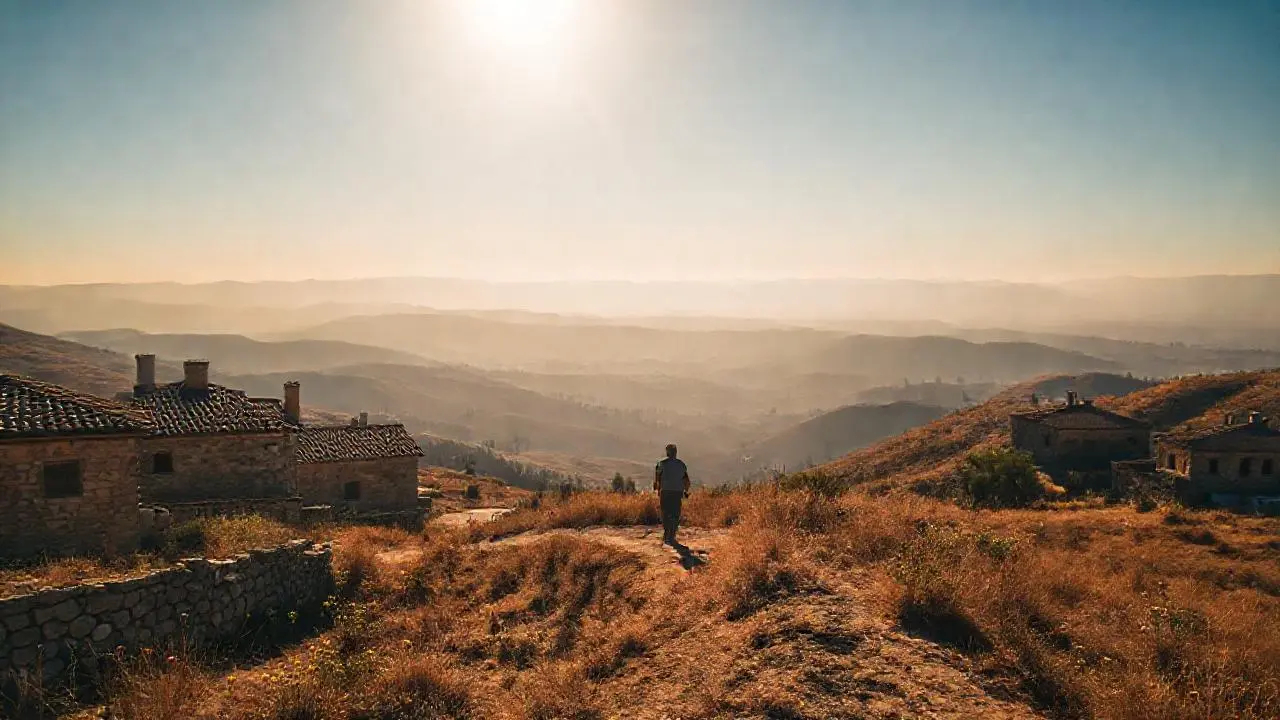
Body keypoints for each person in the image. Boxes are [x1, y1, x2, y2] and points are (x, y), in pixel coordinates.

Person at [654, 443, 690, 545]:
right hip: (677, 492)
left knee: (665, 512)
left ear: (667, 452)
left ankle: (667, 534)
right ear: (676, 452)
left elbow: (657, 478)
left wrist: (657, 489)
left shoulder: (661, 464)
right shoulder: (681, 464)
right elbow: (686, 480)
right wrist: (686, 491)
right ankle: (672, 534)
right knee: (675, 513)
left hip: (665, 491)